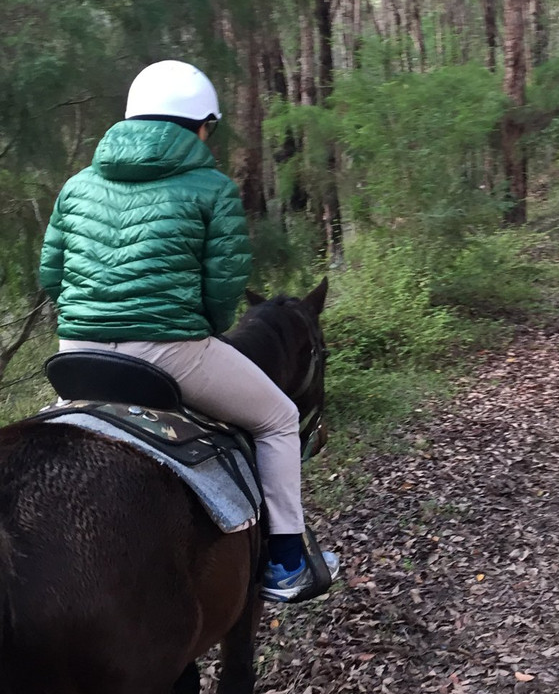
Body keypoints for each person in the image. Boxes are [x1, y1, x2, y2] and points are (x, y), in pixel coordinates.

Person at [38, 60, 339, 603]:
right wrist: (191, 326)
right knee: (279, 418)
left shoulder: (77, 184)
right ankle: (287, 563)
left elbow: (50, 277)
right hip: (166, 352)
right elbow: (223, 292)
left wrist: (95, 319)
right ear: (202, 125)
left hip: (74, 353)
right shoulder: (211, 186)